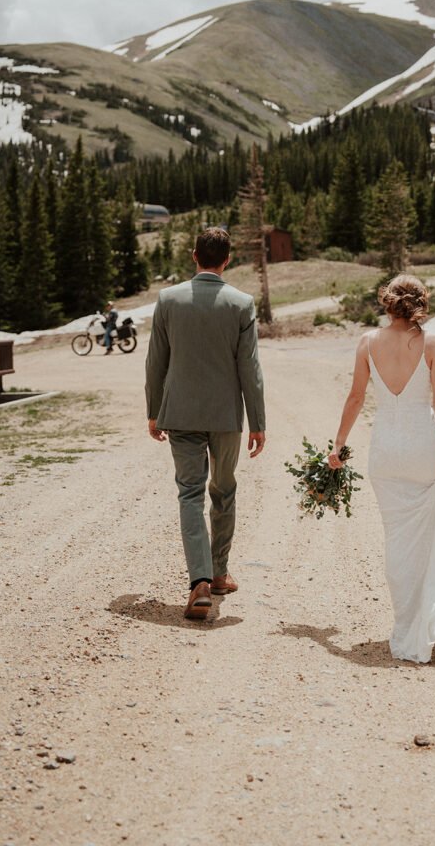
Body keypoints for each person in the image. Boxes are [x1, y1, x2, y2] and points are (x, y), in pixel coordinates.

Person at [328, 273, 435, 663]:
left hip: (386, 453)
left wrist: (339, 445)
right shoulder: (434, 343)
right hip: (422, 449)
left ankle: (406, 624)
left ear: (387, 302)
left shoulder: (366, 343)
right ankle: (420, 625)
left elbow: (356, 397)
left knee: (398, 540)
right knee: (424, 541)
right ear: (421, 302)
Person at [145, 226, 266, 620]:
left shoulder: (167, 299)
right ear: (227, 260)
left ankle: (199, 581)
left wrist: (153, 410)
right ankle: (218, 574)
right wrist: (258, 421)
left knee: (189, 493)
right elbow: (250, 368)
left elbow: (155, 363)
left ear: (194, 256)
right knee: (224, 489)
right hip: (227, 417)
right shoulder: (242, 303)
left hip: (179, 413)